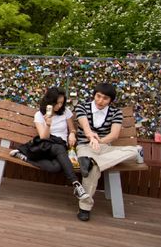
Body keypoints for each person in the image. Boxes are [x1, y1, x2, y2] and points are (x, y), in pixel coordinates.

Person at [73, 83, 143, 221]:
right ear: (94, 95)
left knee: (135, 151)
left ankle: (93, 161)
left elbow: (114, 135)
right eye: (98, 96)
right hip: (85, 147)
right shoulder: (83, 107)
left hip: (105, 148)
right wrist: (91, 137)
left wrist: (99, 142)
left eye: (105, 98)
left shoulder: (116, 112)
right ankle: (84, 208)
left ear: (110, 100)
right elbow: (84, 126)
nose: (100, 100)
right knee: (92, 170)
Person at [10, 87, 88, 200]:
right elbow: (43, 137)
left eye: (62, 102)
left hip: (60, 145)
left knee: (55, 168)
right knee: (58, 148)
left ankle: (25, 157)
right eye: (57, 103)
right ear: (49, 102)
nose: (59, 106)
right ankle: (76, 184)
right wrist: (48, 124)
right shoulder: (39, 115)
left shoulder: (66, 112)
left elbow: (72, 129)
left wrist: (72, 133)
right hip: (45, 145)